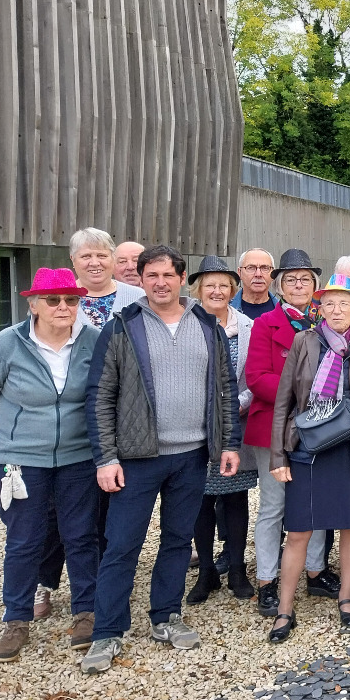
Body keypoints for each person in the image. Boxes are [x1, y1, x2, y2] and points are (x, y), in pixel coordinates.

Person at [81, 245, 241, 674]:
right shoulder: (123, 326)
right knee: (121, 545)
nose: (159, 283)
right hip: (137, 458)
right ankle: (107, 632)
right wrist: (106, 457)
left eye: (167, 275)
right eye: (150, 275)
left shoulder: (207, 324)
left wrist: (229, 443)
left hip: (191, 456)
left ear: (182, 277)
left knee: (176, 539)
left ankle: (166, 615)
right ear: (141, 278)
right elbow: (99, 395)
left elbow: (225, 389)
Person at [0, 269, 101, 662]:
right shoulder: (5, 345)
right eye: (53, 300)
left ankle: (86, 612)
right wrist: (17, 433)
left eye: (71, 300)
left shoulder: (93, 342)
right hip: (19, 461)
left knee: (81, 534)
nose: (63, 307)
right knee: (24, 540)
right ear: (33, 304)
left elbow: (103, 394)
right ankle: (16, 619)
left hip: (78, 456)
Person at [266, 275, 350, 642]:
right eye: (329, 303)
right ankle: (285, 608)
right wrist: (278, 456)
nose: (336, 310)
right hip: (306, 447)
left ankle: (346, 594)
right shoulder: (304, 341)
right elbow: (284, 400)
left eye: (344, 303)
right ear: (319, 308)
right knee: (299, 529)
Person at [245, 249, 337, 619]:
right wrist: (303, 397)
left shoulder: (327, 324)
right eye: (291, 279)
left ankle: (315, 570)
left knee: (314, 503)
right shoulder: (266, 324)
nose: (298, 285)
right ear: (280, 286)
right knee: (274, 506)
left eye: (305, 279)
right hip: (277, 425)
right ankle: (267, 580)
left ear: (315, 285)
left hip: (320, 426)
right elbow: (257, 377)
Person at [185, 257, 257, 605]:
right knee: (200, 500)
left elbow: (255, 376)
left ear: (233, 289)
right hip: (193, 427)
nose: (217, 291)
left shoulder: (247, 326)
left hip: (235, 425)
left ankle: (239, 568)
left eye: (224, 285)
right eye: (209, 285)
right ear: (198, 289)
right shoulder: (184, 323)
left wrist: (232, 407)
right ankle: (206, 573)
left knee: (235, 498)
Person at [69, 228, 145, 329]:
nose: (95, 263)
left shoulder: (139, 297)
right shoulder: (58, 299)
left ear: (113, 258)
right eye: (86, 256)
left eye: (102, 256)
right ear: (72, 259)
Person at [232, 249, 278, 320]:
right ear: (239, 272)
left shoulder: (285, 313)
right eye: (251, 268)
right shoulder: (225, 311)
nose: (258, 274)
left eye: (265, 268)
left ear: (273, 273)